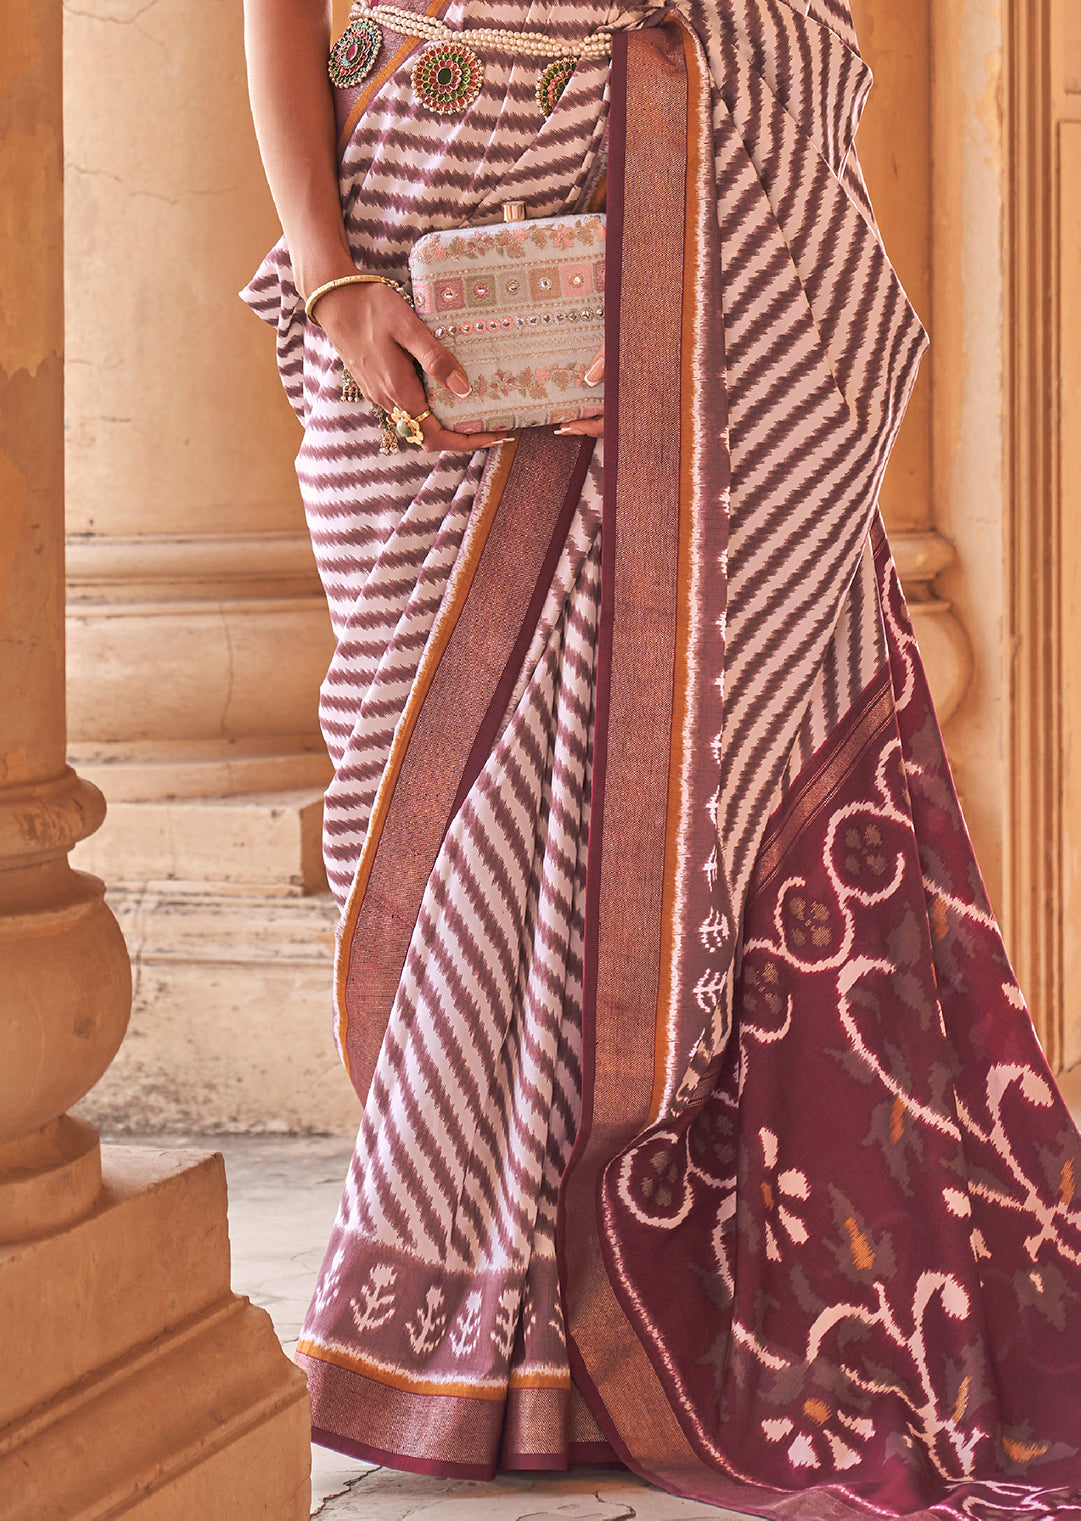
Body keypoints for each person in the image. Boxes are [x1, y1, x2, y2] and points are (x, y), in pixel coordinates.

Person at [241, 2, 1081, 1516]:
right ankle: (496, 1315)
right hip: (414, 224)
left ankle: (590, 1328)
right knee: (418, 792)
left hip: (706, 218)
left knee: (668, 782)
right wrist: (330, 272)